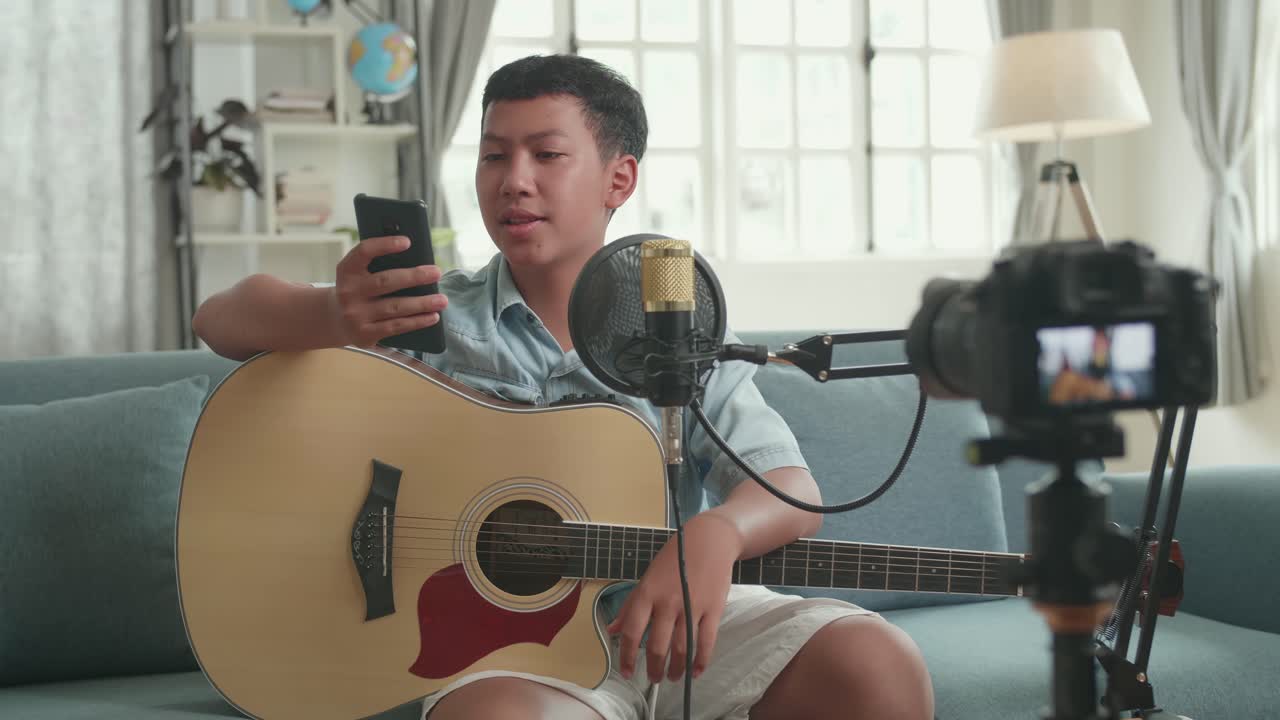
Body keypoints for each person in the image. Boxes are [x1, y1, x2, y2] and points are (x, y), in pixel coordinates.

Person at [193, 54, 933, 720]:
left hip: (673, 628)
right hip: (509, 661)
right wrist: (330, 312)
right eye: (492, 156)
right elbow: (220, 318)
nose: (514, 179)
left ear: (620, 178)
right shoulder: (420, 312)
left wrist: (719, 532)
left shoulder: (683, 327)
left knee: (875, 667)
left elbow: (787, 484)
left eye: (547, 154)